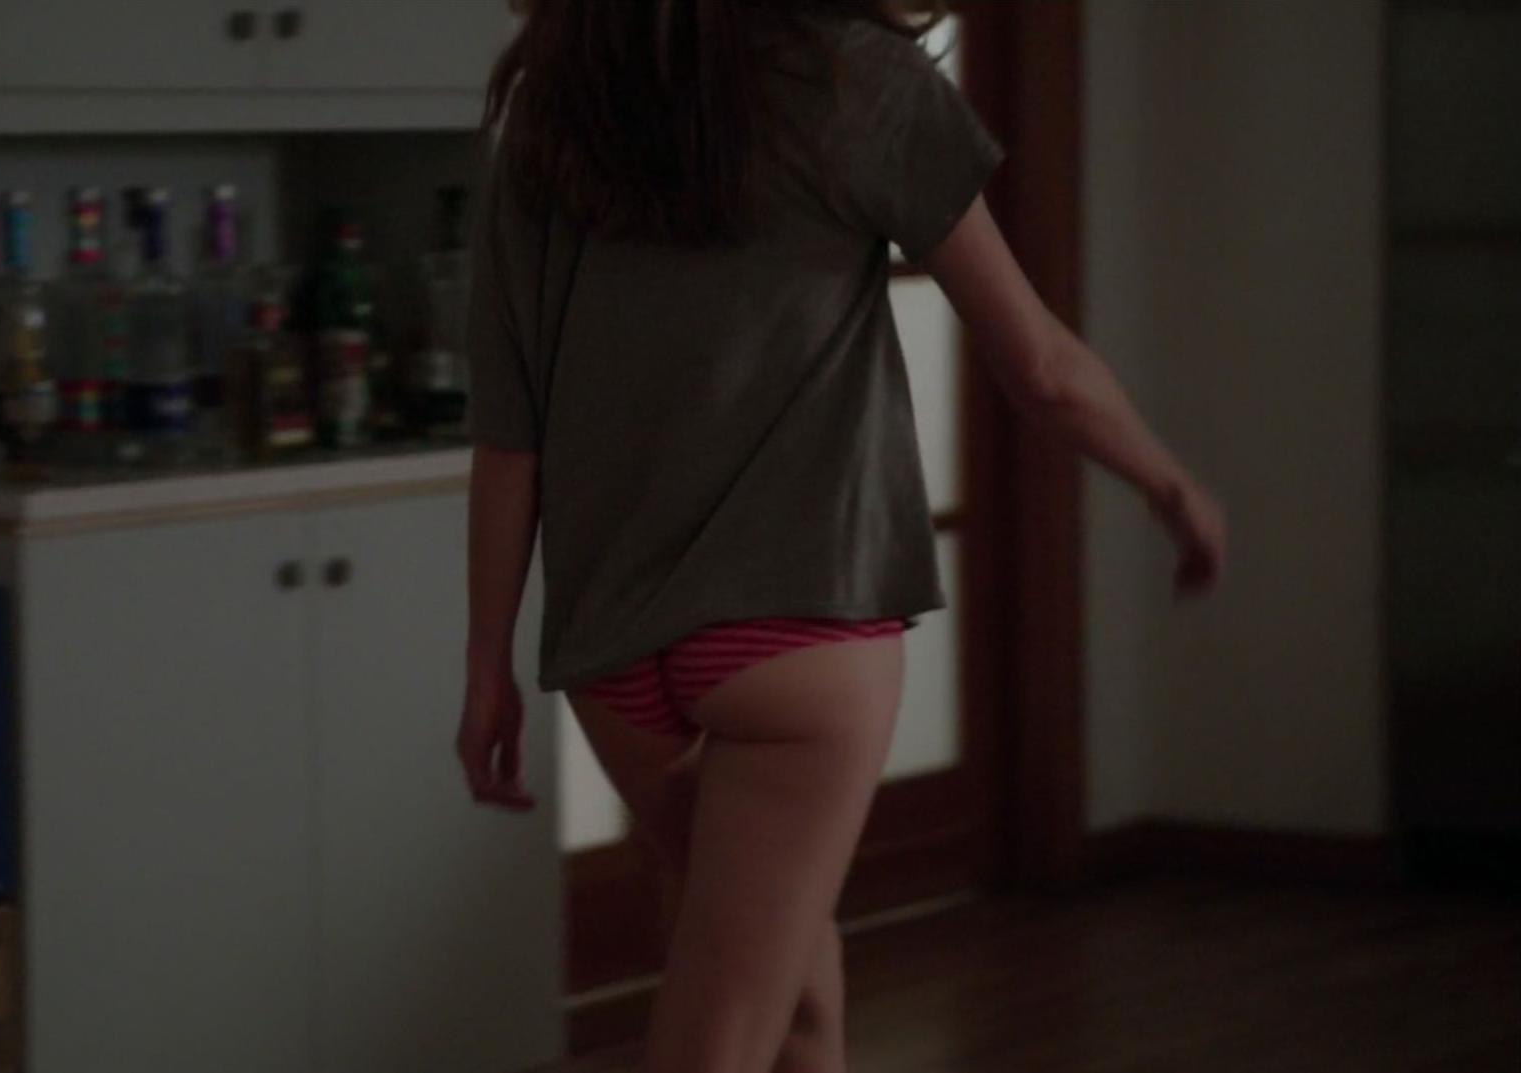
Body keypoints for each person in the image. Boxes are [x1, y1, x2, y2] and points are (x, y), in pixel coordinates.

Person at [454, 1, 1228, 1071]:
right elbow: (1041, 367)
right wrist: (1168, 481)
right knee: (726, 1028)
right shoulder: (858, 81)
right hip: (797, 635)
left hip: (617, 658)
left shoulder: (553, 108)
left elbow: (511, 433)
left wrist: (487, 660)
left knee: (795, 996)